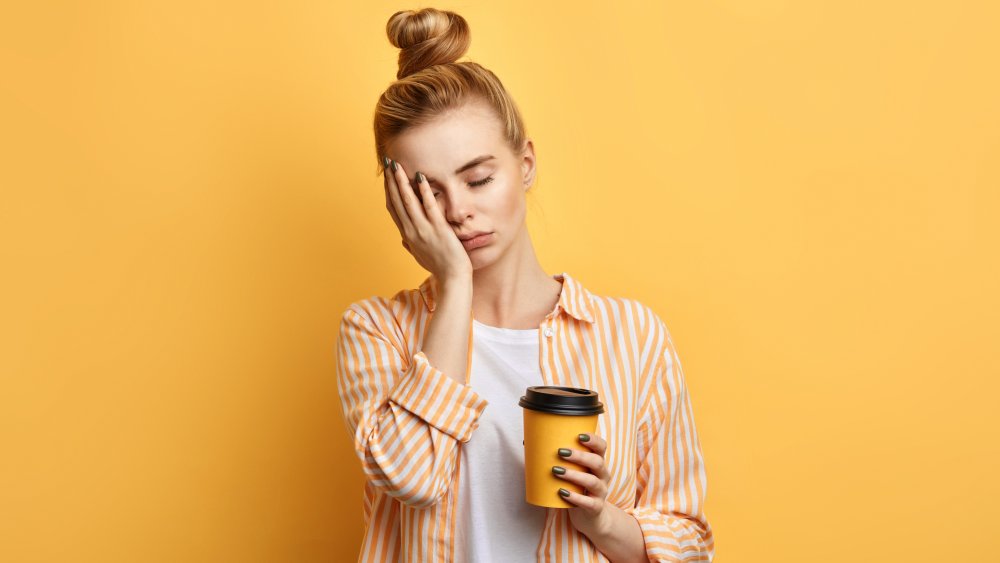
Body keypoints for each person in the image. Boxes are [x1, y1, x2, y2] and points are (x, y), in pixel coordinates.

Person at [336, 7, 715, 562]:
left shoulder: (634, 337)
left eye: (479, 178)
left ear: (526, 163)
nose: (459, 211)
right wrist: (455, 283)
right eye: (429, 193)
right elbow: (411, 479)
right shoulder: (377, 331)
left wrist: (602, 517)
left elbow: (689, 543)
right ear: (400, 206)